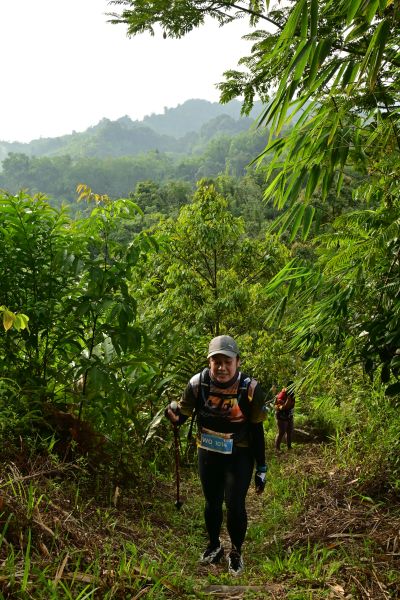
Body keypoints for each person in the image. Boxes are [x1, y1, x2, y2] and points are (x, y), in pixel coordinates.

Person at [165, 335, 268, 577]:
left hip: (239, 453)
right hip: (208, 451)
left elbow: (257, 430)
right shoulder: (198, 384)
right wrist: (174, 417)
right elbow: (183, 415)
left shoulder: (250, 389)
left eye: (227, 362)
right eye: (216, 362)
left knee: (235, 505)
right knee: (212, 502)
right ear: (209, 362)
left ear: (237, 362)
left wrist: (261, 467)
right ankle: (214, 545)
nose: (222, 367)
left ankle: (236, 552)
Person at [274, 381, 295, 451]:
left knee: (289, 431)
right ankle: (277, 448)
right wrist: (287, 400)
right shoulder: (282, 394)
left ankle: (289, 447)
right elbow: (280, 406)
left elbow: (291, 405)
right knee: (281, 432)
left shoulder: (292, 394)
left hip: (289, 415)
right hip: (281, 416)